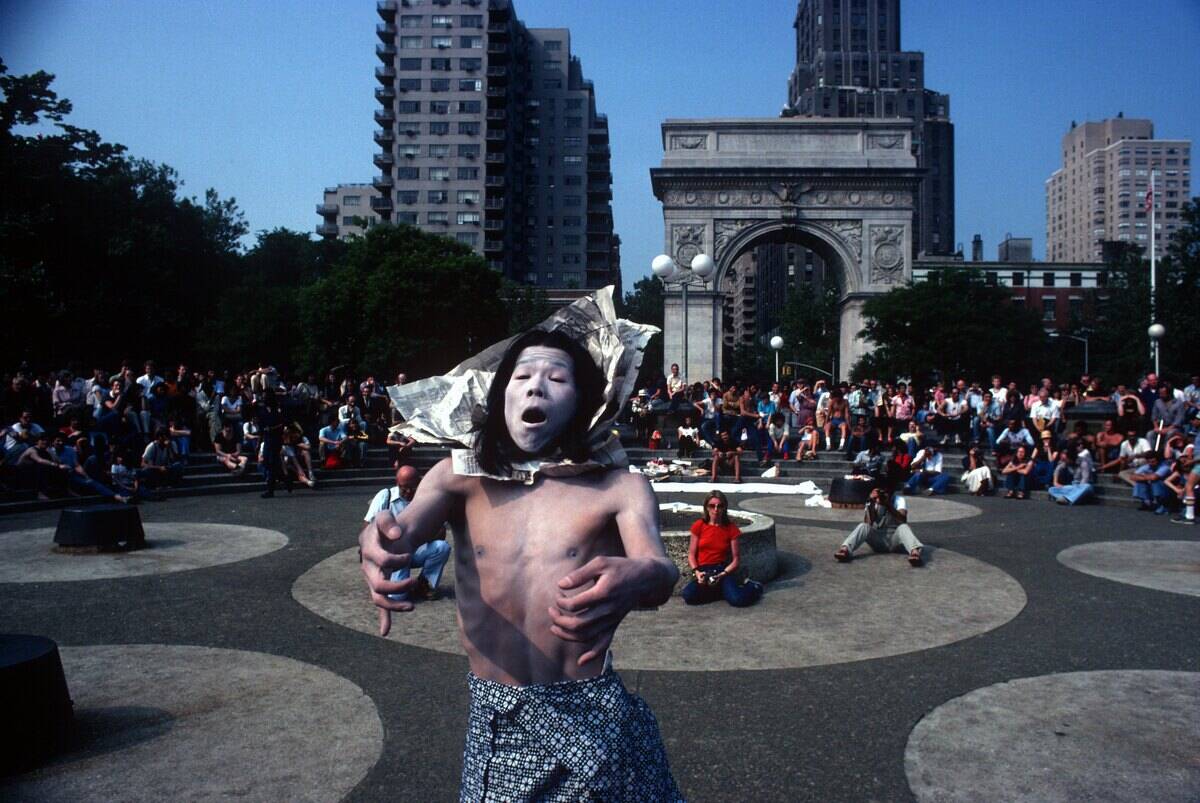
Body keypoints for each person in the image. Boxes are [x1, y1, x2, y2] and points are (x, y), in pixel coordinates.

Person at [358, 324, 681, 800]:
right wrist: (376, 538)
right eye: (522, 376)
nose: (536, 385)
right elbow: (399, 531)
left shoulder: (620, 487)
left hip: (593, 714)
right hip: (499, 720)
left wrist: (647, 574)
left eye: (557, 378)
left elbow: (659, 569)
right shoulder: (458, 478)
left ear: (583, 403)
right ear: (500, 396)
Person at [364, 466, 450, 602]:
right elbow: (368, 529)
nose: (408, 491)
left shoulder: (428, 500)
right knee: (397, 597)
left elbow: (441, 533)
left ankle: (424, 584)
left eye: (413, 487)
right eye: (404, 487)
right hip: (393, 553)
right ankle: (392, 582)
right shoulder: (385, 496)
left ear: (420, 483)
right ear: (397, 483)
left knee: (442, 547)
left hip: (416, 549)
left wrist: (421, 535)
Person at [680, 490, 763, 607]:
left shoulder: (730, 528)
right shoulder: (699, 526)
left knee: (738, 600)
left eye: (720, 506)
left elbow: (735, 560)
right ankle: (721, 592)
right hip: (704, 570)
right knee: (688, 595)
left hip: (721, 570)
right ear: (706, 507)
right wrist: (697, 572)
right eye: (712, 506)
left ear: (724, 508)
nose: (715, 510)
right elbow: (692, 554)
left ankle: (753, 587)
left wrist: (723, 574)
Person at [834, 482, 924, 566]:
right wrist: (871, 504)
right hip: (878, 539)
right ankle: (845, 550)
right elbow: (868, 523)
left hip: (894, 540)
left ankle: (915, 552)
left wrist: (888, 505)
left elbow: (902, 519)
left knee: (903, 527)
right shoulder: (871, 502)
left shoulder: (898, 500)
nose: (883, 496)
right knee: (863, 526)